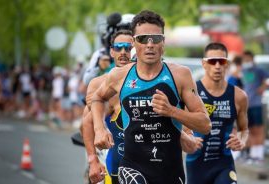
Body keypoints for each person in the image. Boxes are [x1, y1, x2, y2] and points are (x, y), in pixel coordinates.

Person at [91, 10, 211, 184]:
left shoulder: (180, 75)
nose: (149, 45)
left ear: (163, 42)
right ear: (133, 42)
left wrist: (172, 111)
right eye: (142, 38)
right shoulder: (119, 75)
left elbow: (205, 124)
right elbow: (97, 97)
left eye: (155, 38)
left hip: (170, 171)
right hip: (132, 168)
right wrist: (99, 129)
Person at [185, 43, 249, 184]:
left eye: (222, 61)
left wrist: (241, 140)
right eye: (213, 61)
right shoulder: (192, 92)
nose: (218, 66)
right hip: (197, 165)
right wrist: (189, 138)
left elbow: (244, 130)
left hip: (224, 163)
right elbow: (180, 125)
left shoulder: (239, 96)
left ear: (228, 64)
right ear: (204, 64)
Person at [81, 29, 133, 184]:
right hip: (111, 161)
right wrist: (93, 160)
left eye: (128, 48)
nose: (123, 52)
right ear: (112, 51)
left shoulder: (146, 82)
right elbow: (86, 123)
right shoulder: (99, 84)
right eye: (119, 47)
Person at [241, 50, 269, 163]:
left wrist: (264, 87)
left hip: (256, 104)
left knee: (259, 130)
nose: (246, 61)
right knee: (250, 130)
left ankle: (259, 155)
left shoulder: (258, 70)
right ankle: (253, 155)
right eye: (245, 59)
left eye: (248, 59)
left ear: (252, 59)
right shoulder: (243, 71)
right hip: (247, 105)